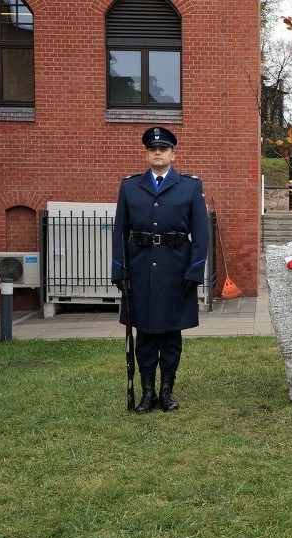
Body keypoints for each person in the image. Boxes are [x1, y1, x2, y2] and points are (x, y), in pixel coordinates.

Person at [111, 127, 210, 413]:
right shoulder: (130, 187)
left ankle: (167, 392)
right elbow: (120, 232)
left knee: (169, 335)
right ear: (147, 153)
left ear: (172, 154)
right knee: (145, 335)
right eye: (153, 148)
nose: (158, 152)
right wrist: (120, 272)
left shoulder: (190, 186)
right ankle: (147, 393)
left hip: (175, 272)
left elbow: (200, 236)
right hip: (140, 271)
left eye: (163, 148)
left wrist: (194, 272)